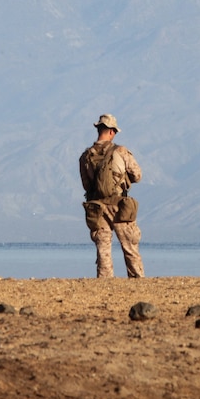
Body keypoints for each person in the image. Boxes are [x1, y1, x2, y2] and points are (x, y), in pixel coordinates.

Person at [79, 114, 144, 278]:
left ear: (98, 129)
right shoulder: (121, 151)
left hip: (97, 207)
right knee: (130, 247)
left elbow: (86, 185)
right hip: (120, 206)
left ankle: (105, 285)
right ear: (111, 131)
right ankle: (138, 281)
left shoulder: (85, 156)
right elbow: (137, 175)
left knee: (103, 250)